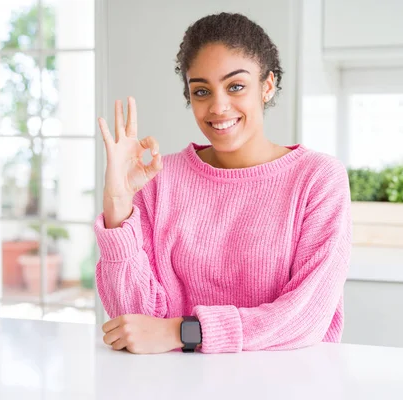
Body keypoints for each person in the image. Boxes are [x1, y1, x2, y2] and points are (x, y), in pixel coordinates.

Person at [95, 12, 352, 354]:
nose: (218, 106)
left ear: (268, 85)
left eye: (235, 86)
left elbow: (305, 317)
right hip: (173, 383)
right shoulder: (158, 180)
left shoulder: (318, 179)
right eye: (201, 91)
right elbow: (134, 324)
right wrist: (118, 203)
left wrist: (184, 332)